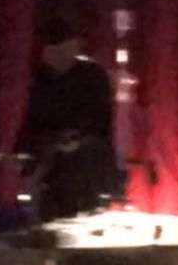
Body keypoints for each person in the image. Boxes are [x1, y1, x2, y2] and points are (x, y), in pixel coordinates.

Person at [12, 30, 120, 221]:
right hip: (51, 160)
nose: (55, 57)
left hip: (86, 160)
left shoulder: (92, 75)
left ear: (74, 48)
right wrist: (21, 150)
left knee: (80, 211)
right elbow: (34, 118)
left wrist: (77, 138)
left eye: (62, 50)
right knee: (48, 210)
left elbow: (100, 119)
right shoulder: (43, 77)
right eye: (51, 52)